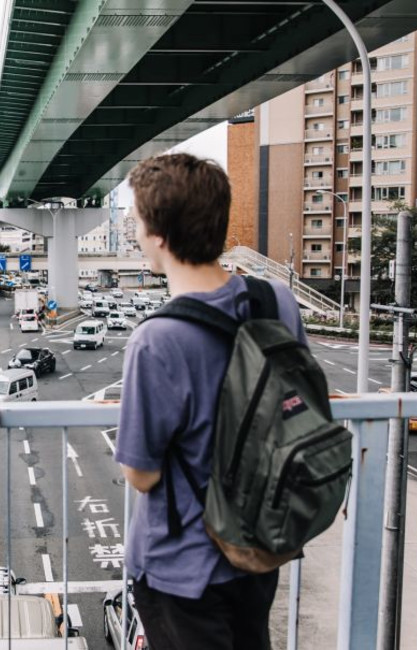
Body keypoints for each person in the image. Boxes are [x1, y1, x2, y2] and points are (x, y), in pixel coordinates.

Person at [115, 153, 308, 649]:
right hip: (261, 542)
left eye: (136, 221)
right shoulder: (276, 302)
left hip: (184, 567)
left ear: (158, 235)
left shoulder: (157, 340)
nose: (134, 233)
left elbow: (142, 473)